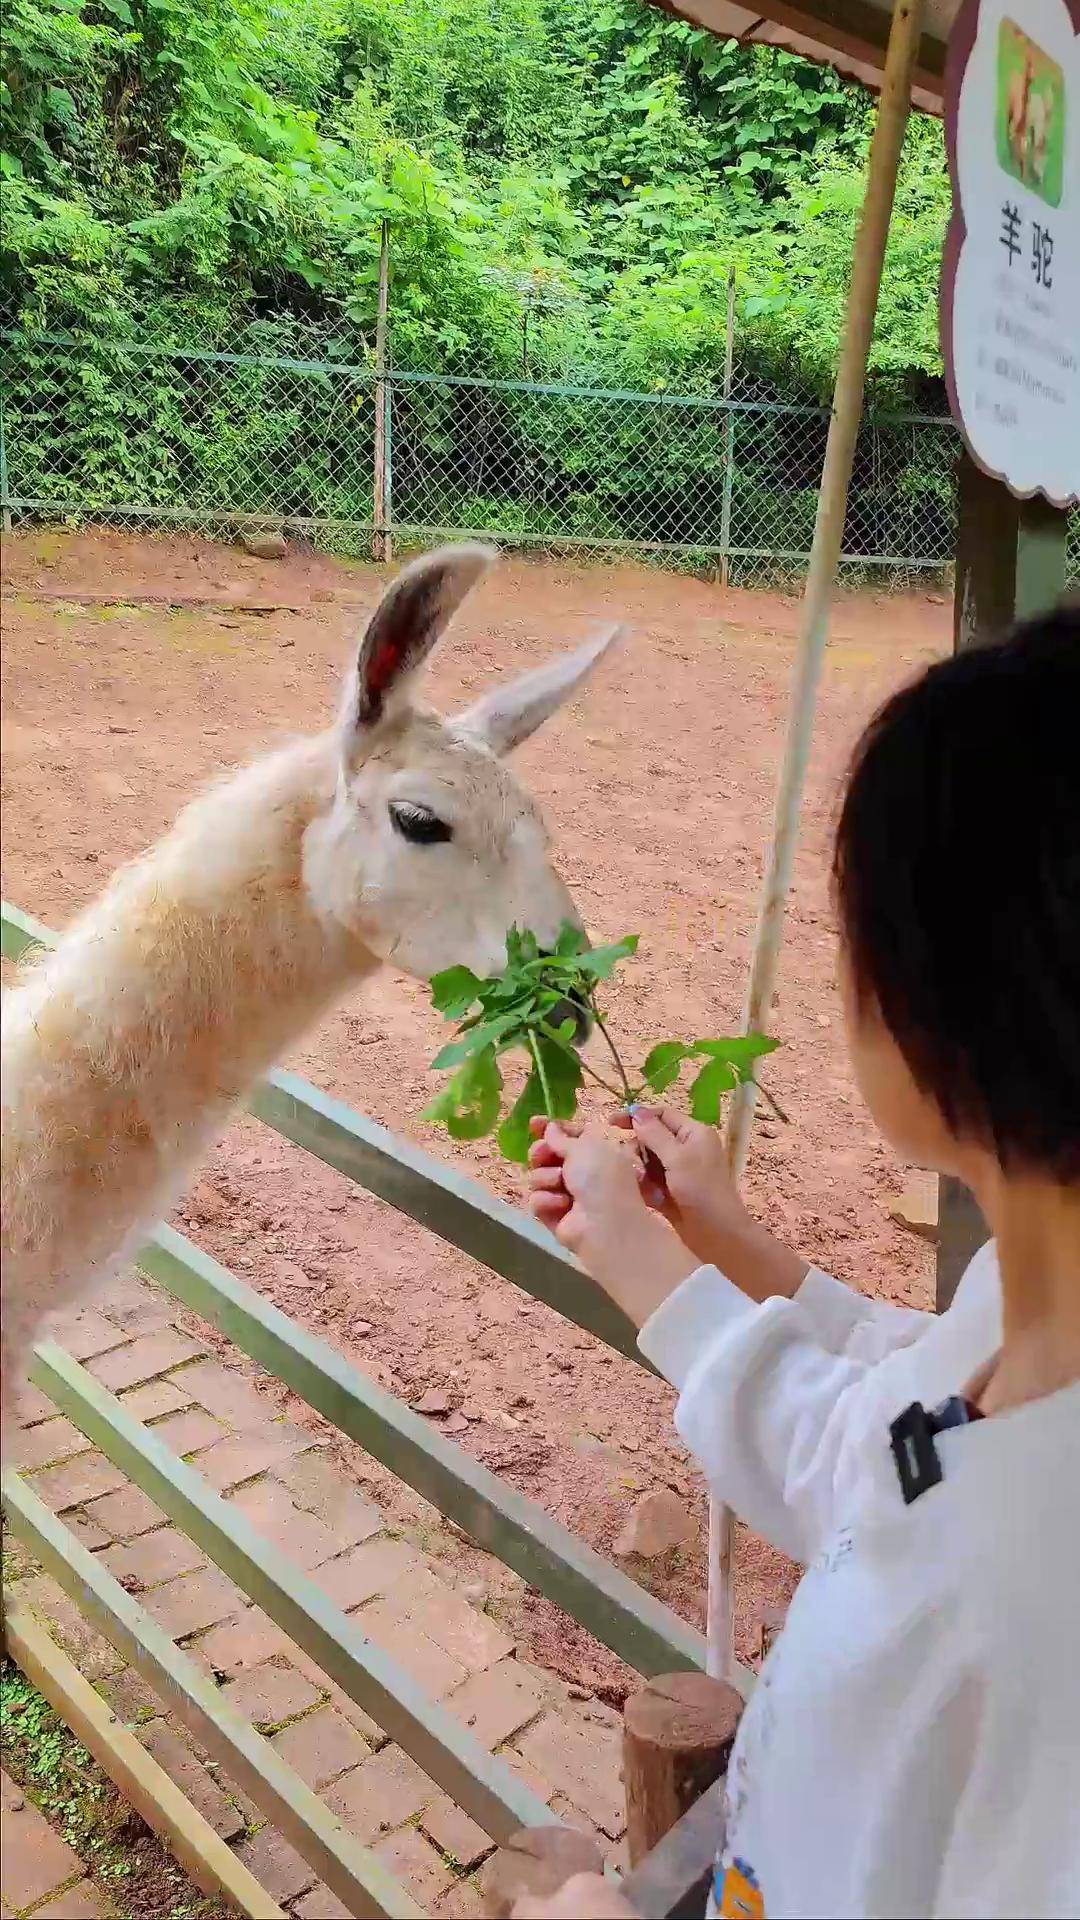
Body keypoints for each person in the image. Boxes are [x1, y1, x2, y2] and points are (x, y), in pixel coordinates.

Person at [520, 612, 1080, 1920]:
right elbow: (895, 1433)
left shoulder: (1009, 1621)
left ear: (931, 997)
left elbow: (890, 1474)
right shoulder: (1023, 1319)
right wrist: (705, 1246)